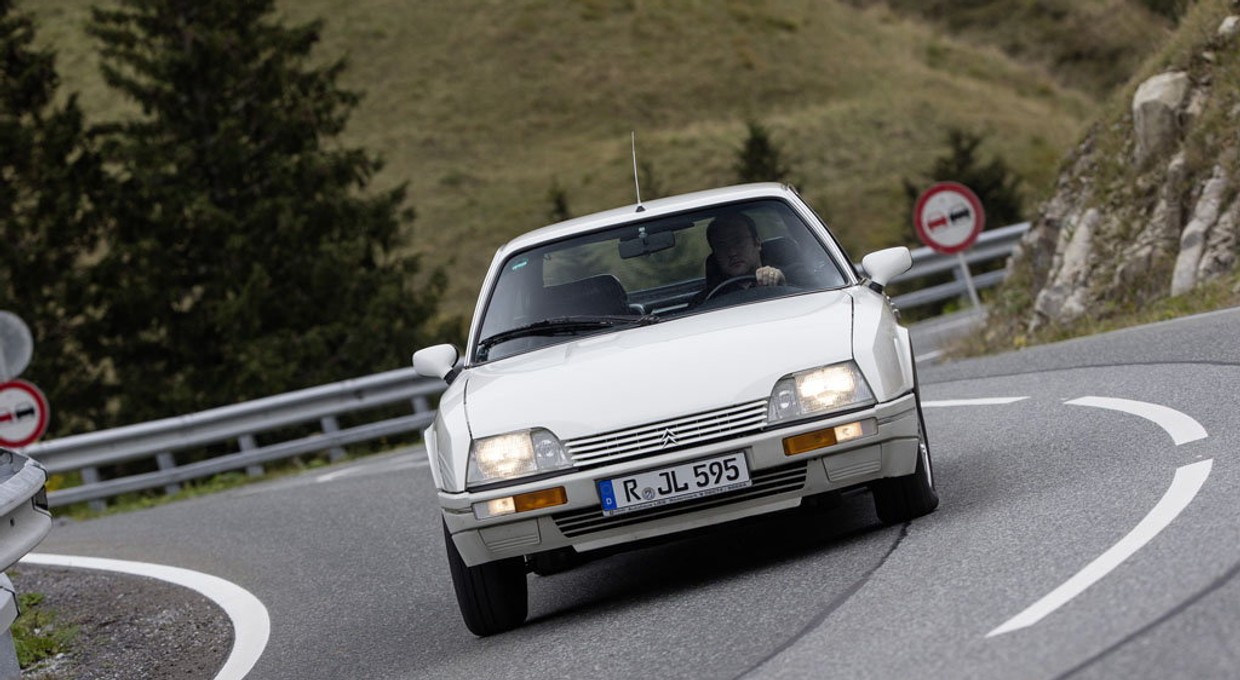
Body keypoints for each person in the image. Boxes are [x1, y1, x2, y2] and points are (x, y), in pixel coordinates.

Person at [700, 212, 785, 299]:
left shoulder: (791, 275)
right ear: (715, 255)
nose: (732, 253)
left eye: (738, 242)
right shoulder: (705, 301)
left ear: (757, 243)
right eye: (722, 246)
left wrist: (782, 284)